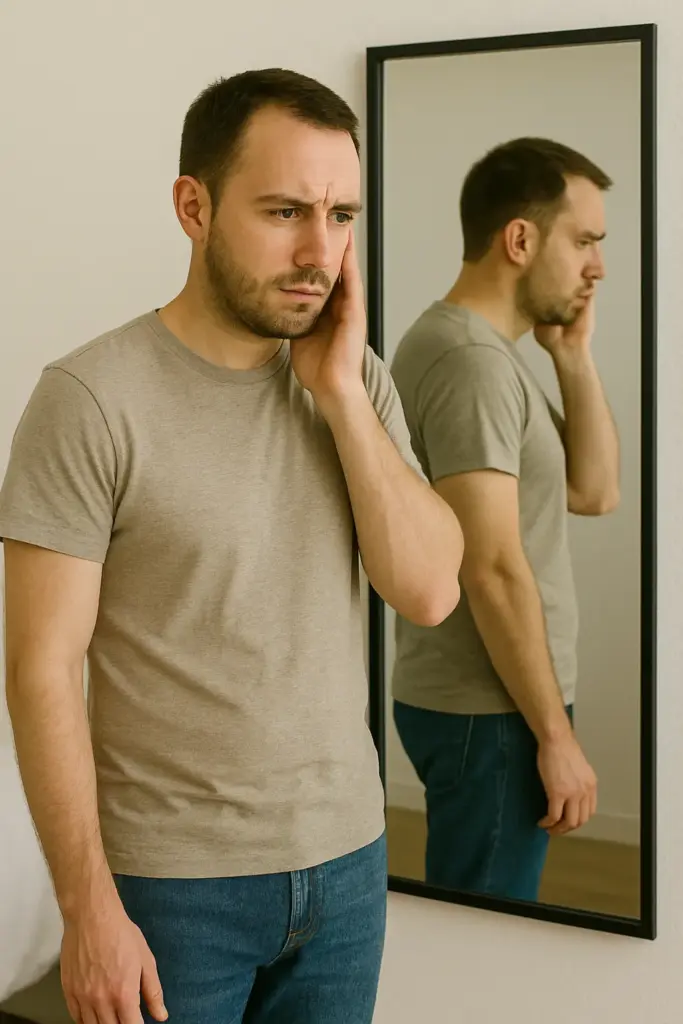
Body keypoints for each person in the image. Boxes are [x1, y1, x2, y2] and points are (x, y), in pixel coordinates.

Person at [0, 68, 464, 1024]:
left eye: (341, 215)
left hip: (345, 868)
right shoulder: (90, 400)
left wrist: (337, 393)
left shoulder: (355, 383)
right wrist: (88, 909)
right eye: (286, 210)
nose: (319, 251)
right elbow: (41, 669)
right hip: (170, 889)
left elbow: (427, 592)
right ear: (193, 206)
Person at [389, 137, 620, 903]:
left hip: (501, 702)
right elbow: (488, 565)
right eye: (583, 240)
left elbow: (593, 491)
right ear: (519, 239)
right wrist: (552, 737)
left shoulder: (488, 352)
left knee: (487, 921)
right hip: (493, 712)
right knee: (487, 929)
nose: (597, 266)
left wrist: (571, 355)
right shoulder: (470, 362)